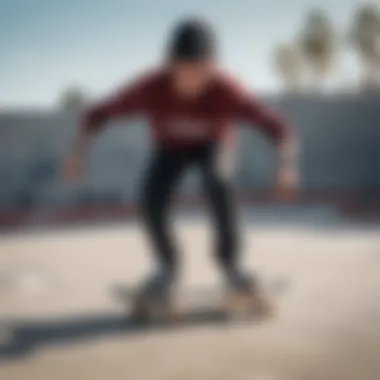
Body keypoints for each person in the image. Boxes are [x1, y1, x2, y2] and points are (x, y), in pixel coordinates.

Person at [63, 17, 298, 312]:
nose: (191, 81)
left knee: (220, 181)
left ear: (212, 68)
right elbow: (97, 114)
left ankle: (232, 267)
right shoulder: (150, 86)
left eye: (200, 72)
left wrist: (287, 165)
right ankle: (166, 267)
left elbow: (277, 127)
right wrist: (76, 152)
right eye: (183, 72)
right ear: (169, 66)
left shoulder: (227, 89)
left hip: (213, 146)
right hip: (169, 148)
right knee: (151, 198)